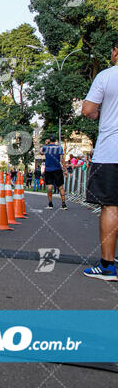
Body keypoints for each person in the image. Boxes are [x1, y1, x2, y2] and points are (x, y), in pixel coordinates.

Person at [82, 38, 118, 280]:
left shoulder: (106, 76)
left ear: (116, 50)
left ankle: (107, 266)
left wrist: (97, 113)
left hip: (111, 152)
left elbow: (87, 110)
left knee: (111, 206)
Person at [41, 136, 68, 210]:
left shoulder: (45, 148)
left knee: (49, 187)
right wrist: (65, 169)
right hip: (57, 169)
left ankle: (50, 204)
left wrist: (46, 144)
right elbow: (62, 159)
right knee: (61, 187)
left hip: (48, 169)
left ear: (49, 140)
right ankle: (64, 204)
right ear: (55, 140)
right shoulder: (59, 148)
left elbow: (40, 153)